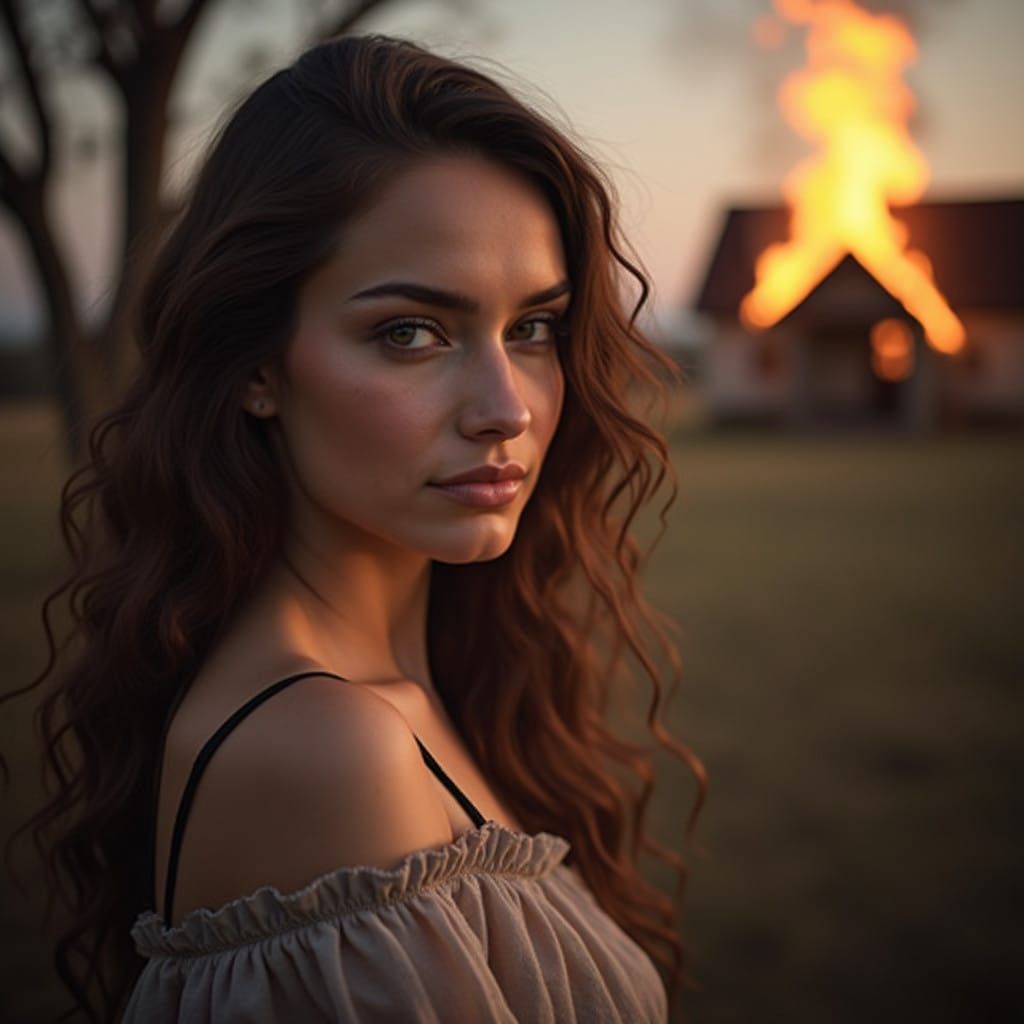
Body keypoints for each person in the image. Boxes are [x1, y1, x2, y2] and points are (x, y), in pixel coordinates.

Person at [4, 33, 705, 1023]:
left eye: (532, 328)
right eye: (410, 332)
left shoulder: (425, 677)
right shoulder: (323, 746)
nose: (504, 406)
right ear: (254, 366)